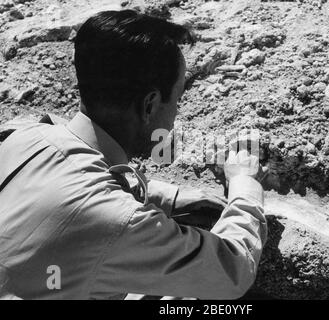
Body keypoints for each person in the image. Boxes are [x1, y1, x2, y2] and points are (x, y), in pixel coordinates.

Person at [0, 10, 267, 300]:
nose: (176, 115)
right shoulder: (117, 222)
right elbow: (232, 270)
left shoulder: (23, 134)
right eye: (176, 100)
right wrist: (245, 184)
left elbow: (64, 197)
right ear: (149, 105)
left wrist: (165, 197)